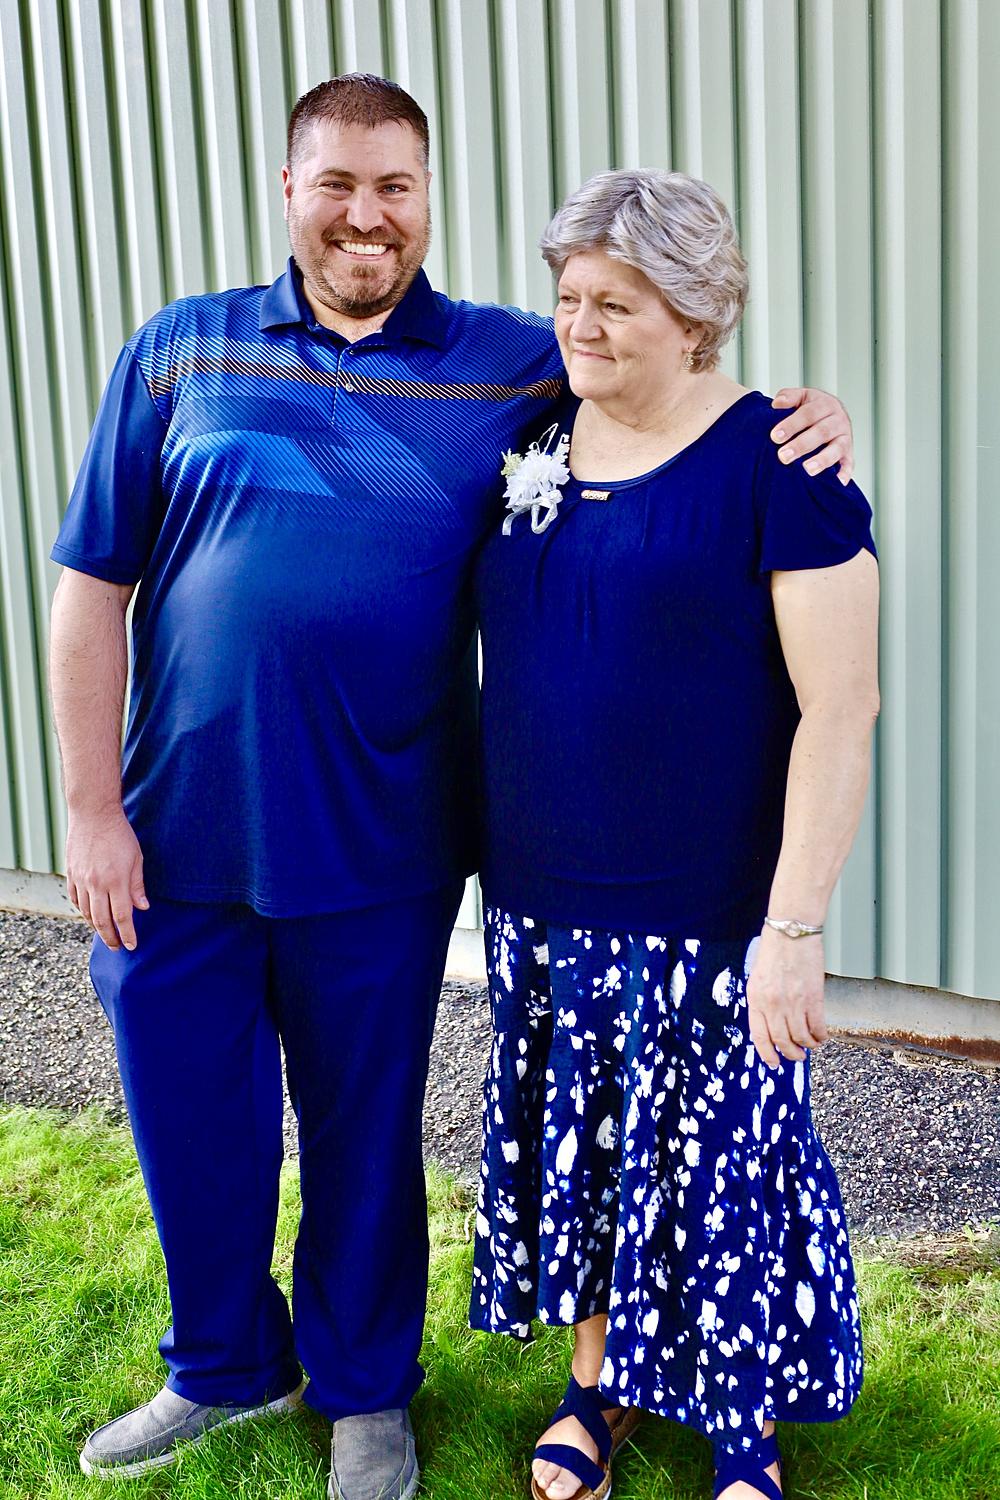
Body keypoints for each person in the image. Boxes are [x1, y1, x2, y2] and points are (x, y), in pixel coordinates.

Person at [48, 72, 856, 1500]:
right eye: (337, 184)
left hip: (383, 844)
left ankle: (366, 1392)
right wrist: (89, 812)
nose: (366, 215)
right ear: (288, 191)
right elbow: (89, 589)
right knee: (190, 1126)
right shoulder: (178, 351)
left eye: (395, 187)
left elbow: (667, 380)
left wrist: (808, 410)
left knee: (364, 1137)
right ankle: (221, 1366)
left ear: (426, 200)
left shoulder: (508, 365)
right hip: (173, 837)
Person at [470, 168, 879, 1500]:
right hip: (543, 899)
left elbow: (843, 710)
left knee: (725, 1174)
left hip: (707, 914)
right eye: (569, 296)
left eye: (618, 304)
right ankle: (596, 1391)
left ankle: (743, 1433)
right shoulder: (532, 440)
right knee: (591, 1161)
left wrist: (795, 926)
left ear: (697, 316)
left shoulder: (780, 463)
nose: (580, 326)